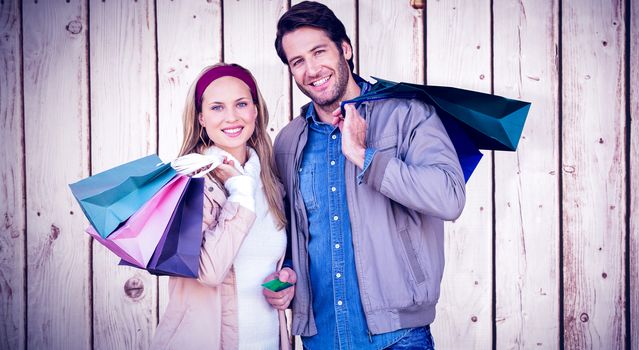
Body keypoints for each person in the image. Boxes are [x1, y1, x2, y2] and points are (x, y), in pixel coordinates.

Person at [269, 2, 467, 349]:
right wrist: (286, 270)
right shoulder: (288, 141)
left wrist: (364, 156)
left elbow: (449, 197)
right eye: (298, 61)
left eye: (319, 52)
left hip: (399, 336)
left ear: (345, 48)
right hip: (321, 337)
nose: (312, 69)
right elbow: (291, 231)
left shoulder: (409, 115)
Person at [150, 63, 295, 350]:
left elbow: (268, 261)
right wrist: (239, 192)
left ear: (255, 110)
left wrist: (287, 277)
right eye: (217, 107)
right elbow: (210, 271)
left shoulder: (271, 183)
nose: (232, 117)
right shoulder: (188, 184)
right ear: (201, 117)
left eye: (241, 104)